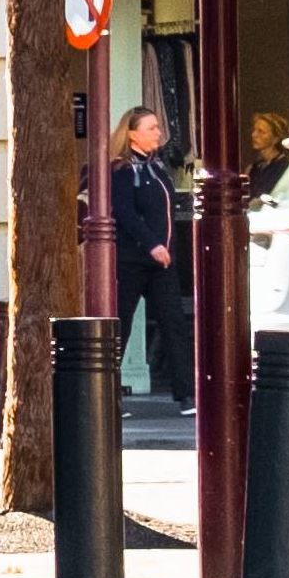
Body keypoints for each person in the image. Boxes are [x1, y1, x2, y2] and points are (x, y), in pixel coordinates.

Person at [107, 103, 191, 402]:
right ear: (132, 135)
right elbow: (125, 212)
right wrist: (151, 244)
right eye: (151, 128)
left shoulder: (157, 166)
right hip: (132, 261)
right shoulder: (122, 169)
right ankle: (107, 394)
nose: (158, 133)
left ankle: (185, 395)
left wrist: (165, 248)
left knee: (174, 324)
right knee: (122, 324)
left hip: (162, 263)